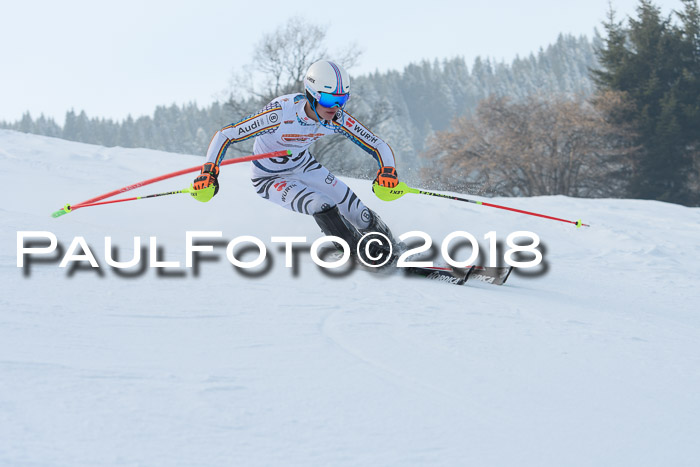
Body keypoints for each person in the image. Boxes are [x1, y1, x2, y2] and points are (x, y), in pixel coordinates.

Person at [192, 59, 400, 264]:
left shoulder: (337, 119)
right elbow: (225, 135)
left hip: (304, 166)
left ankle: (393, 247)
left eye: (342, 100)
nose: (335, 108)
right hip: (269, 178)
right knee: (322, 204)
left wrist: (388, 170)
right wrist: (209, 172)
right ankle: (355, 253)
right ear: (312, 94)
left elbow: (377, 144)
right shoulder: (279, 114)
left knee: (359, 214)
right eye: (329, 100)